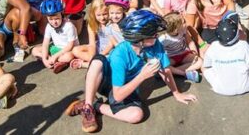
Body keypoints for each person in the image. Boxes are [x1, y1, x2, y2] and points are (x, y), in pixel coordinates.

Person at [65, 10, 197, 133]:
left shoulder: (155, 45)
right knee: (97, 61)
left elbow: (166, 70)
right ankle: (88, 106)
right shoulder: (120, 53)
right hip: (106, 82)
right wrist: (142, 76)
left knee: (137, 115)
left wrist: (176, 93)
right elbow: (117, 96)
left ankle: (96, 105)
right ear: (140, 38)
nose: (157, 36)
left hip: (127, 85)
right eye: (154, 34)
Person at [202, 11, 249, 95]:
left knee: (203, 67)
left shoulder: (213, 46)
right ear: (237, 34)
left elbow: (206, 65)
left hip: (220, 89)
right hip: (245, 87)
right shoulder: (244, 45)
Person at [32, 0, 78, 74]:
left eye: (57, 18)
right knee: (34, 50)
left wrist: (55, 56)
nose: (54, 22)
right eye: (51, 19)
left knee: (69, 56)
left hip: (68, 50)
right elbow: (45, 44)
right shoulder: (49, 26)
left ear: (62, 14)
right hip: (56, 49)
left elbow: (70, 46)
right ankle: (54, 61)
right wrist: (44, 59)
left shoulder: (69, 26)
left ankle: (57, 61)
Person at [158, 12, 203, 82]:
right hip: (171, 57)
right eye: (183, 22)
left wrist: (195, 53)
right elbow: (159, 53)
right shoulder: (164, 39)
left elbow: (190, 42)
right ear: (175, 29)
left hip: (183, 55)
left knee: (200, 61)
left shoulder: (183, 30)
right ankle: (181, 72)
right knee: (163, 66)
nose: (186, 23)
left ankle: (174, 73)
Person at [71, 0, 106, 69]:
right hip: (98, 47)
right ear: (94, 14)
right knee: (75, 50)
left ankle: (86, 64)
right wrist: (92, 56)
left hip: (109, 49)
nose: (102, 18)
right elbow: (92, 44)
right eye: (99, 15)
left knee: (110, 58)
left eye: (104, 14)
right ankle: (94, 61)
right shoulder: (92, 24)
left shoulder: (110, 23)